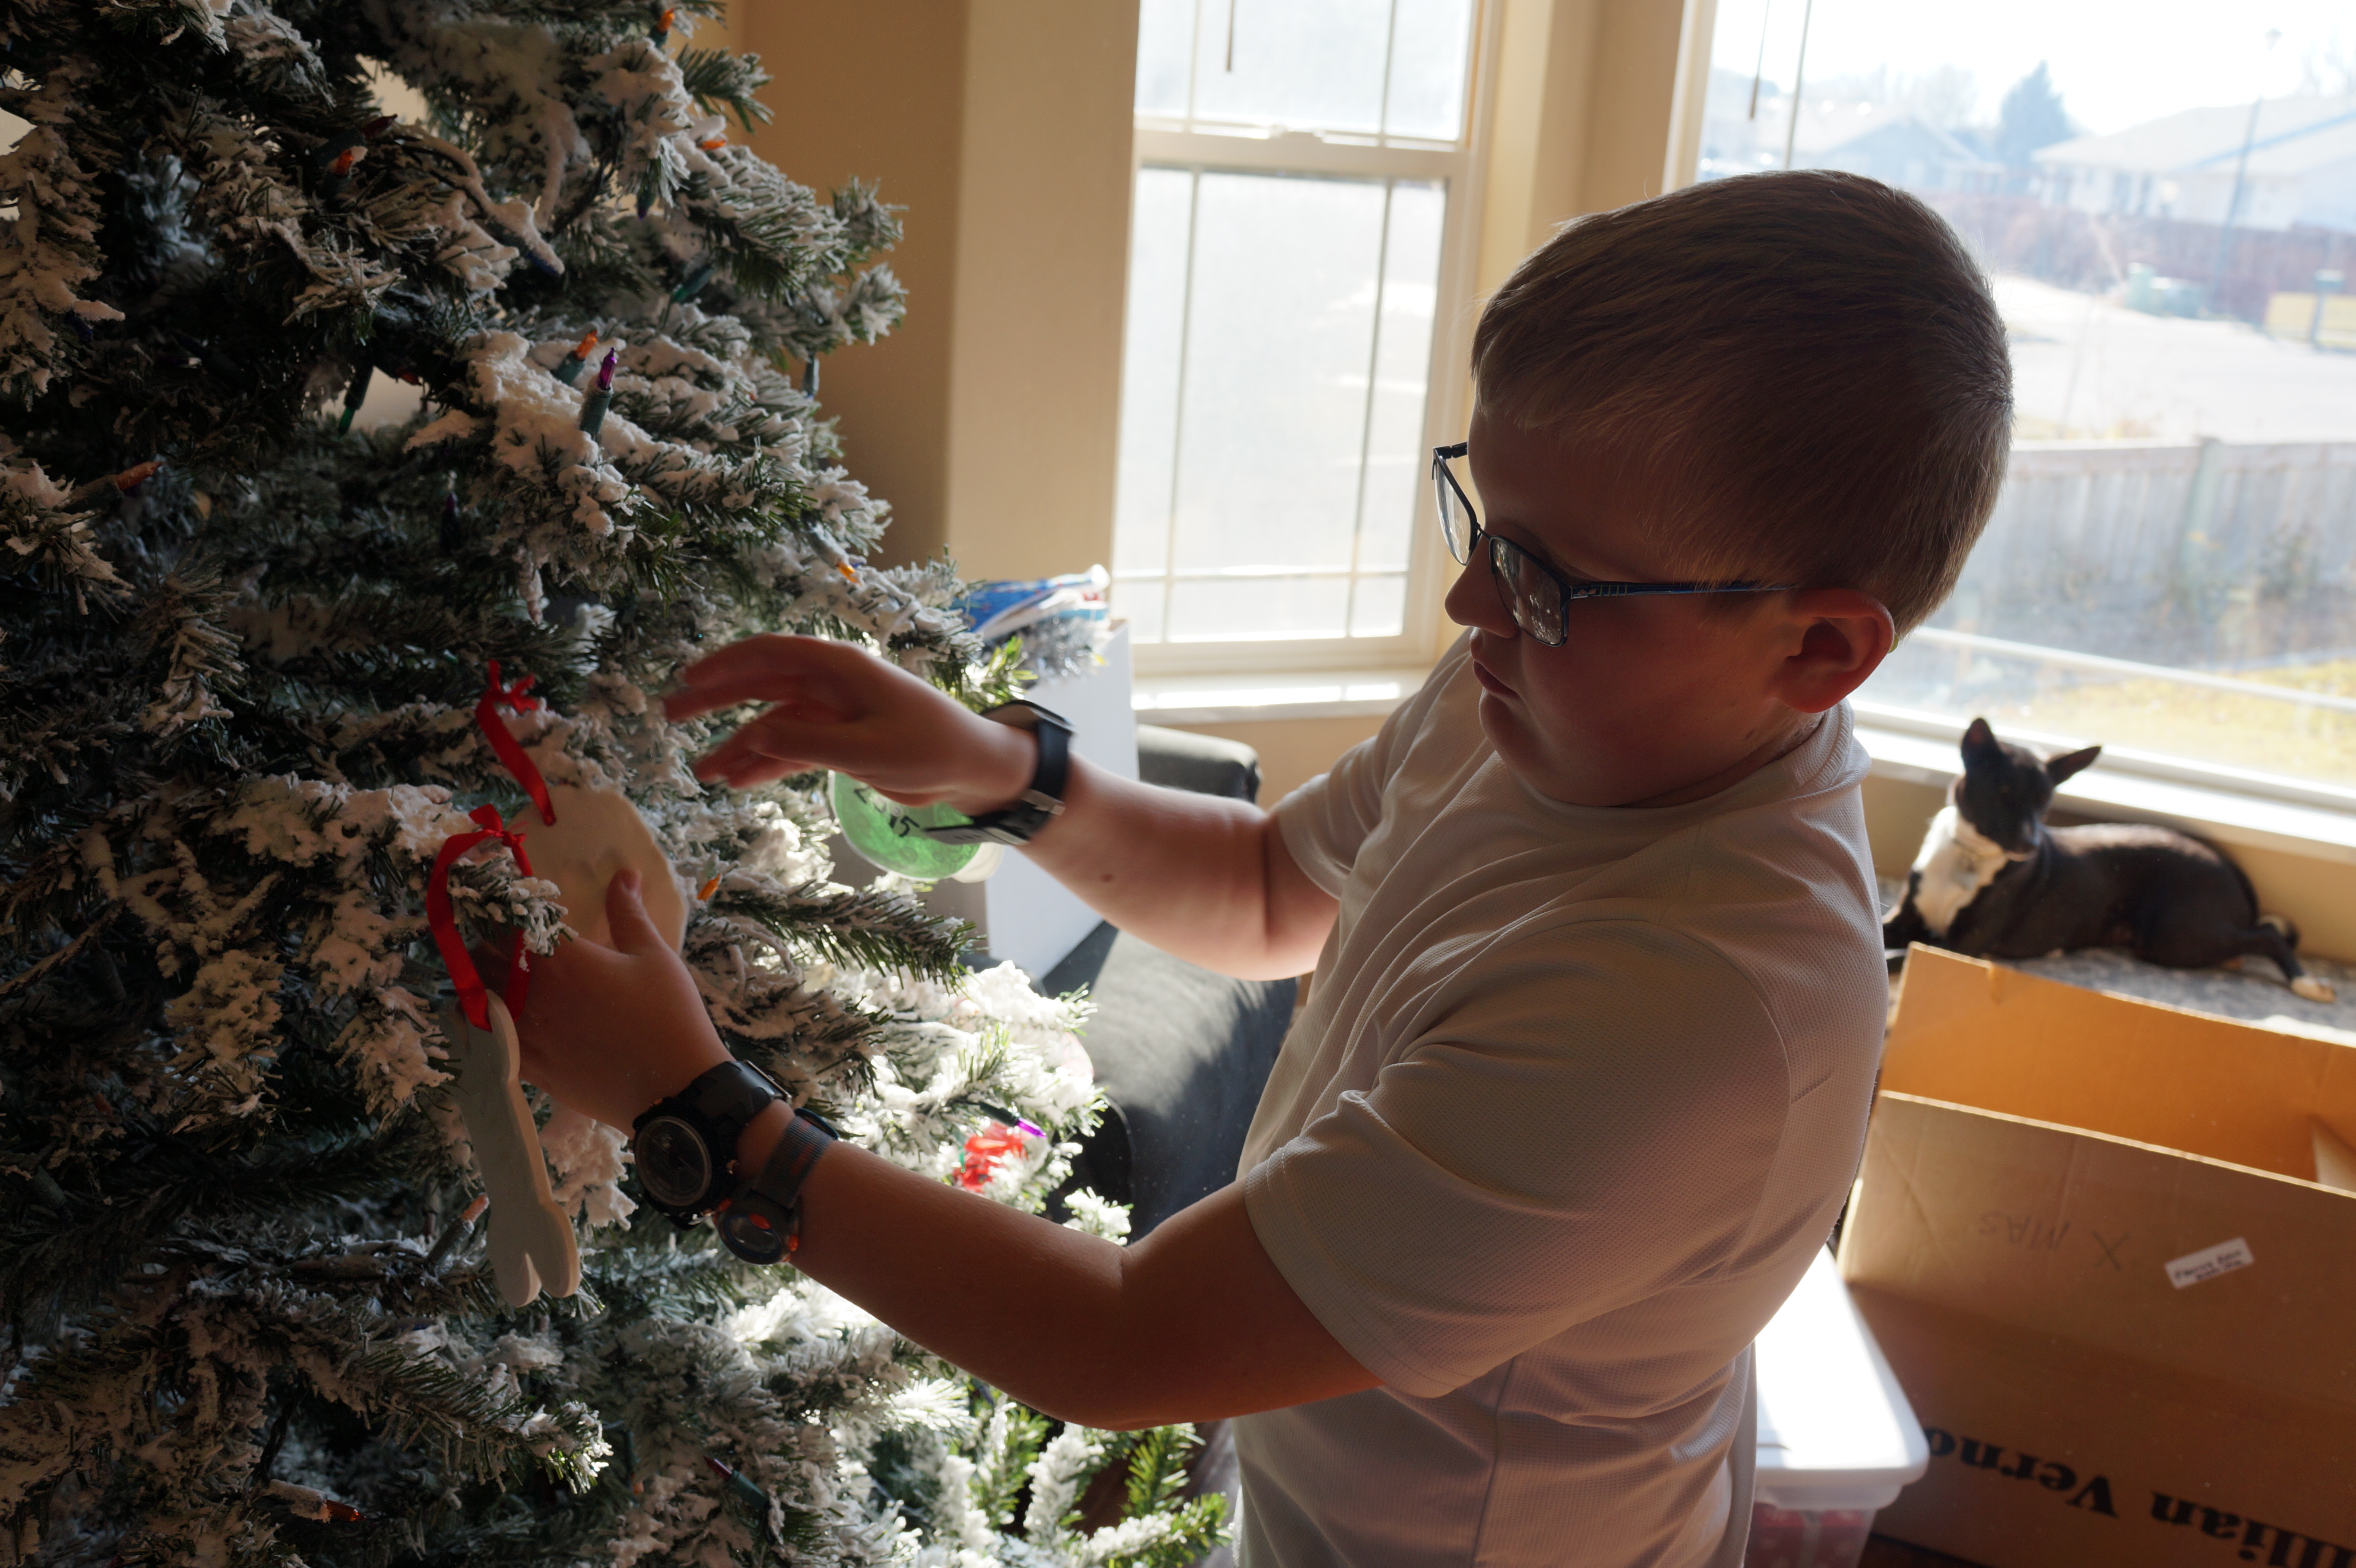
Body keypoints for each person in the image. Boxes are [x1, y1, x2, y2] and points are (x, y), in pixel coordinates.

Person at [505, 169, 2012, 1567]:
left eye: (1546, 575)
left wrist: (697, 1116)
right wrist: (1003, 774)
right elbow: (1272, 895)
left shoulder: (1696, 1010)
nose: (1470, 600)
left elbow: (1126, 1346)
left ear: (1820, 648)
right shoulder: (1543, 699)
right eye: (1488, 524)